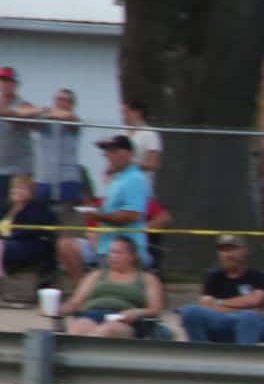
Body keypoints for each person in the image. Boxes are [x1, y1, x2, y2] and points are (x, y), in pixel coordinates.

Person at [55, 134, 150, 287]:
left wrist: (99, 217)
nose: (107, 155)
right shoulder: (118, 179)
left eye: (113, 151)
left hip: (125, 250)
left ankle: (91, 291)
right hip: (104, 244)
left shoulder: (135, 179)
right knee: (65, 245)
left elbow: (131, 215)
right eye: (106, 151)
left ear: (127, 154)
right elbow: (112, 211)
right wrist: (97, 226)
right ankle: (84, 290)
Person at [63, 235, 163, 338]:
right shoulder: (97, 275)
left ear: (132, 256)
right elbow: (75, 302)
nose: (113, 256)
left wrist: (138, 312)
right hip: (93, 314)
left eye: (118, 253)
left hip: (125, 320)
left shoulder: (147, 278)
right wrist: (60, 309)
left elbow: (155, 309)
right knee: (77, 330)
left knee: (105, 331)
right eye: (111, 252)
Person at [179, 235, 264, 345]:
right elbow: (205, 304)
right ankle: (201, 353)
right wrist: (243, 307)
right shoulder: (213, 277)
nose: (228, 255)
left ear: (244, 251)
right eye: (223, 250)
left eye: (232, 249)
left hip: (248, 322)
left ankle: (243, 355)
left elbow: (256, 301)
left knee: (249, 316)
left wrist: (219, 303)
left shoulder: (257, 276)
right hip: (218, 321)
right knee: (190, 311)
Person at [28, 90, 85, 204]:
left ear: (72, 104)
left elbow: (67, 116)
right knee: (41, 213)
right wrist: (41, 111)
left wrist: (46, 112)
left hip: (67, 179)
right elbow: (24, 115)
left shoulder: (74, 121)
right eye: (59, 99)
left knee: (66, 213)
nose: (62, 103)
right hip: (44, 180)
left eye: (67, 100)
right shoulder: (44, 122)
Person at [2, 176, 57, 283]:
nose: (17, 191)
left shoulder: (35, 208)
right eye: (15, 188)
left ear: (31, 193)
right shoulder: (6, 208)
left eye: (22, 188)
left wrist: (6, 239)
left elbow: (31, 231)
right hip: (7, 243)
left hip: (27, 244)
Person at [120, 99, 163, 176]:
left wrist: (129, 165)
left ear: (137, 113)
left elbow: (153, 164)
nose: (123, 117)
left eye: (126, 112)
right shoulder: (122, 133)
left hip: (140, 181)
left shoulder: (150, 134)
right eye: (122, 113)